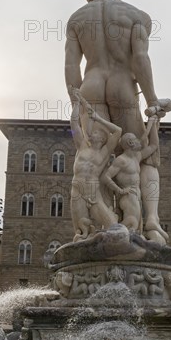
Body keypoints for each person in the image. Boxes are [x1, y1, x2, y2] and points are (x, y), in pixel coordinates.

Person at [65, 0, 171, 243]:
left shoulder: (77, 19)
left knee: (94, 155)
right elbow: (140, 59)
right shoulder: (137, 16)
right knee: (144, 156)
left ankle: (96, 227)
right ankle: (150, 224)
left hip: (91, 86)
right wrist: (151, 101)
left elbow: (71, 66)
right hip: (122, 86)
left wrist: (77, 104)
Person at [69, 88, 122, 241]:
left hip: (92, 190)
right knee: (80, 233)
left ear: (103, 138)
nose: (92, 133)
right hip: (77, 188)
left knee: (113, 225)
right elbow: (74, 124)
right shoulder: (82, 146)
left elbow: (118, 131)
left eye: (97, 132)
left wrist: (98, 118)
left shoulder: (104, 152)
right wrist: (77, 103)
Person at [102, 115, 160, 234]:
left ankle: (114, 234)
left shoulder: (137, 157)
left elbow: (154, 145)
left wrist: (153, 124)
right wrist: (119, 190)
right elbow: (106, 177)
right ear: (130, 142)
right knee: (132, 223)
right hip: (127, 197)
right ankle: (109, 233)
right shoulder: (121, 160)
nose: (139, 141)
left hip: (136, 196)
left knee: (135, 229)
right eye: (135, 139)